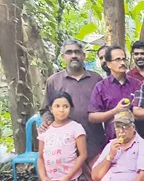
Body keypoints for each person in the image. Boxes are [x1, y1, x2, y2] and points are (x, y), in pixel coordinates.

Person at [42, 40, 104, 173]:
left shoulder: (96, 79)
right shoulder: (54, 81)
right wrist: (47, 122)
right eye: (69, 52)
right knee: (70, 180)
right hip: (64, 143)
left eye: (77, 52)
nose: (74, 55)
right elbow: (46, 109)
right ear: (64, 56)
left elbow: (105, 107)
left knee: (96, 179)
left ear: (84, 55)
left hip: (93, 139)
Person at [79, 110, 144, 181]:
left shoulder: (143, 145)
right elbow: (95, 176)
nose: (121, 131)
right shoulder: (111, 145)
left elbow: (143, 176)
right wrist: (110, 155)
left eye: (125, 126)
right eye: (118, 126)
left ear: (133, 127)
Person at [38, 92, 89, 181]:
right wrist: (43, 177)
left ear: (70, 109)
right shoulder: (45, 130)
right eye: (57, 106)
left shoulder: (76, 128)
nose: (61, 110)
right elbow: (40, 157)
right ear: (51, 109)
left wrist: (67, 178)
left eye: (65, 106)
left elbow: (82, 155)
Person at [89, 46, 142, 144]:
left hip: (137, 142)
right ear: (109, 64)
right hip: (113, 142)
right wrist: (115, 111)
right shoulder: (101, 87)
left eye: (123, 59)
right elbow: (92, 117)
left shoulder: (137, 84)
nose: (122, 63)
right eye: (118, 60)